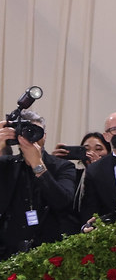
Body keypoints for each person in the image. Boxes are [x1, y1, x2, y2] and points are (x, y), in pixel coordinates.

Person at [0, 111, 78, 259]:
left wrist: (38, 165)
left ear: (45, 135)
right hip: (8, 252)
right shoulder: (7, 164)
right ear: (16, 136)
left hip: (49, 251)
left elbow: (62, 201)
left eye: (35, 131)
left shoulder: (63, 166)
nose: (31, 138)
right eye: (25, 132)